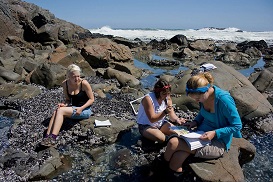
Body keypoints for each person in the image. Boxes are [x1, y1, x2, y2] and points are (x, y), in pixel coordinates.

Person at [164, 72, 242, 176]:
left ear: (206, 90)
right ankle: (173, 173)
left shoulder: (224, 100)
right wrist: (195, 122)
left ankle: (160, 168)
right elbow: (202, 113)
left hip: (218, 141)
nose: (197, 101)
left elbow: (237, 125)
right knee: (177, 159)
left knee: (173, 143)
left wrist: (215, 133)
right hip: (200, 134)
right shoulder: (204, 97)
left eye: (197, 99)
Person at [41, 64, 95, 147]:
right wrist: (64, 104)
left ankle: (53, 138)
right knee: (57, 111)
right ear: (68, 76)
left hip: (85, 110)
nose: (77, 79)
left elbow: (91, 99)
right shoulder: (65, 84)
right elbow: (68, 100)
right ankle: (47, 136)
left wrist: (81, 108)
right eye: (74, 77)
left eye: (78, 76)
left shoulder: (84, 83)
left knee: (61, 111)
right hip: (73, 108)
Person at [137, 79, 186, 144]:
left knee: (179, 133)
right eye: (164, 93)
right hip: (146, 125)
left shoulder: (167, 98)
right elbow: (152, 119)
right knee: (161, 138)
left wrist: (177, 119)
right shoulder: (148, 99)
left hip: (160, 123)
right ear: (157, 92)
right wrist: (165, 112)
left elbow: (172, 115)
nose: (166, 95)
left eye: (168, 93)